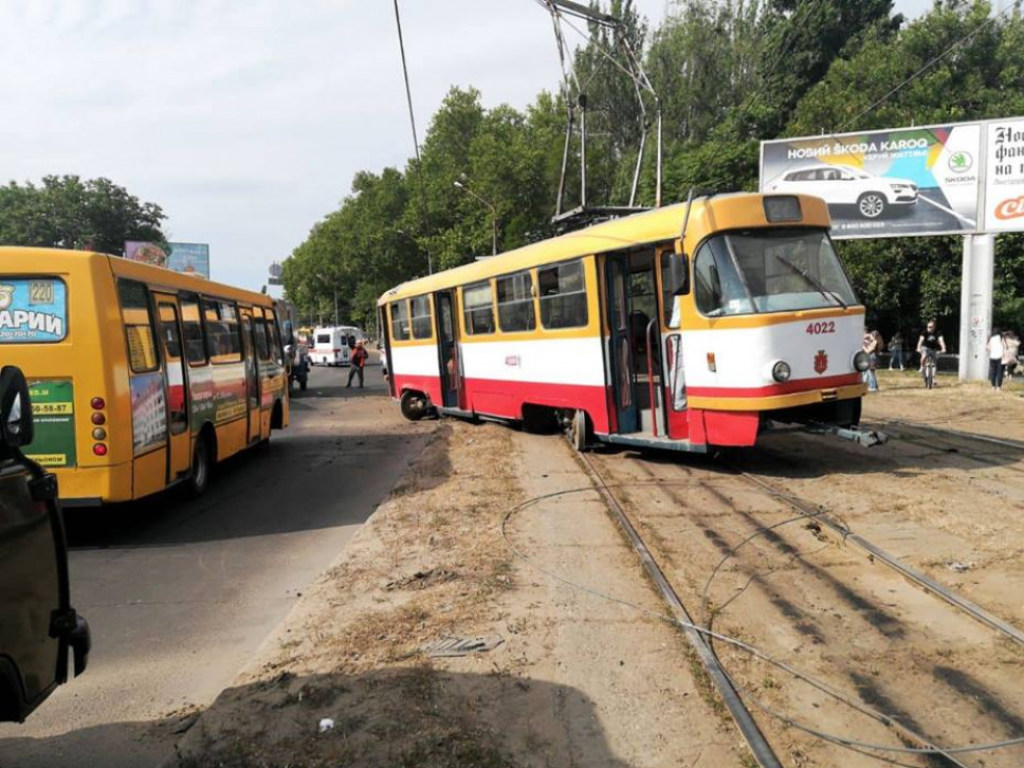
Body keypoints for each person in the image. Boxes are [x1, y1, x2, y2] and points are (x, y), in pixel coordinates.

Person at [917, 319, 946, 385]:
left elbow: (941, 341)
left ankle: (932, 379)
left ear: (934, 327)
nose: (929, 328)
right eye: (928, 327)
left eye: (930, 327)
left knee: (934, 364)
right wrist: (918, 348)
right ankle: (921, 366)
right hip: (925, 347)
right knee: (924, 356)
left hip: (934, 349)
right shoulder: (924, 332)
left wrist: (943, 348)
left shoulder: (938, 332)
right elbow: (920, 341)